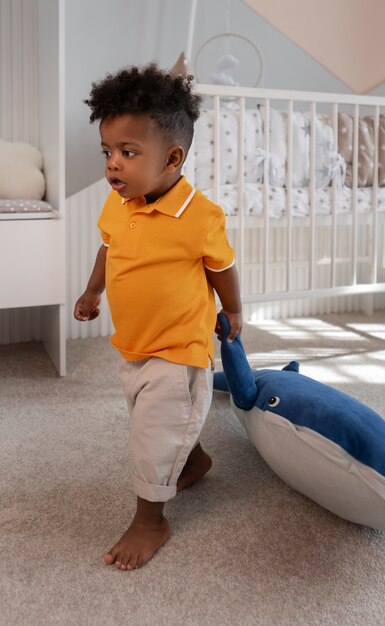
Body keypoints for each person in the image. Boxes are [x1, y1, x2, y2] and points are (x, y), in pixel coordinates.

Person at [74, 64, 242, 571]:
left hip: (179, 348)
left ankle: (152, 519)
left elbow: (222, 267)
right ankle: (192, 460)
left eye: (128, 153)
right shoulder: (117, 204)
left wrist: (232, 309)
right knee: (148, 419)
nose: (113, 166)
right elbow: (108, 249)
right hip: (135, 343)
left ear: (172, 159)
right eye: (107, 152)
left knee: (152, 430)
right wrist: (91, 290)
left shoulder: (200, 216)